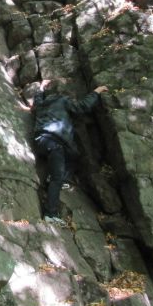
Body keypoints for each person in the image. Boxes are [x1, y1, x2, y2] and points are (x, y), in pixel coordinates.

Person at [31, 79, 108, 223]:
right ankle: (51, 214)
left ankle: (60, 178)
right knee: (57, 178)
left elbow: (37, 98)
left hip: (40, 141)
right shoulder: (63, 100)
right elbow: (82, 107)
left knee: (74, 155)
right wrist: (96, 92)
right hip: (55, 143)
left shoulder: (42, 103)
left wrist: (41, 87)